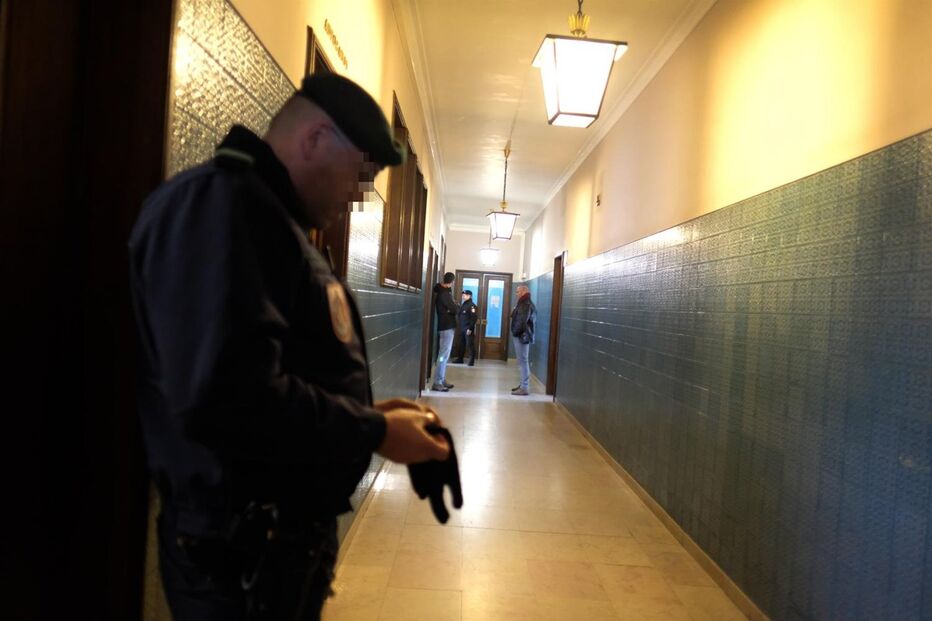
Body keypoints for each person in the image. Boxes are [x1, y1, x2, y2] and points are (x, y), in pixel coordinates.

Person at [129, 73, 450, 621]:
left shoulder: (268, 219)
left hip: (268, 556)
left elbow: (270, 373)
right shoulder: (221, 209)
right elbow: (228, 396)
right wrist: (372, 430)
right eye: (362, 173)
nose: (359, 195)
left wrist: (369, 413)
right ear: (315, 138)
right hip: (236, 561)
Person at [431, 272, 458, 391]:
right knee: (443, 355)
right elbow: (455, 309)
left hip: (446, 326)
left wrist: (452, 308)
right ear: (451, 282)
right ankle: (437, 382)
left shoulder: (443, 292)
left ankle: (441, 379)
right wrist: (454, 307)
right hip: (446, 327)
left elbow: (452, 308)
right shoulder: (445, 294)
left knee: (445, 355)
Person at [509, 285, 537, 396]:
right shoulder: (523, 302)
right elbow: (516, 316)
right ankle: (522, 385)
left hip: (522, 336)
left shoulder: (525, 304)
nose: (516, 293)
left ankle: (524, 387)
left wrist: (515, 332)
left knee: (523, 362)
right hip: (522, 335)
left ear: (524, 291)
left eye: (518, 291)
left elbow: (521, 321)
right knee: (522, 361)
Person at [451, 289, 478, 365]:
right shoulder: (464, 304)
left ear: (469, 296)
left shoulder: (472, 306)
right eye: (462, 295)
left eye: (464, 295)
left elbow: (474, 318)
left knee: (470, 344)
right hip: (462, 327)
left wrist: (470, 328)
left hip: (468, 328)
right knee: (461, 344)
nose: (463, 296)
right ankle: (460, 359)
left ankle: (471, 361)